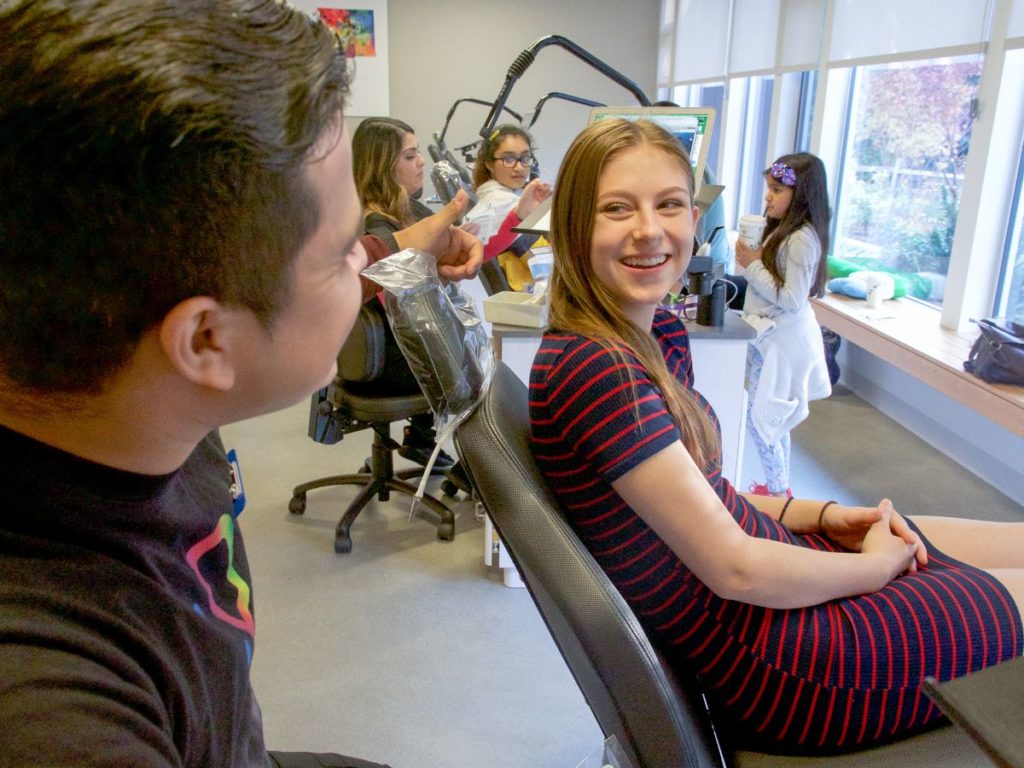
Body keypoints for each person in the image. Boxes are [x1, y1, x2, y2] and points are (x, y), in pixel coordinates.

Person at [0, 2, 480, 766]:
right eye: (338, 255)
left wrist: (428, 240)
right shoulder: (54, 710)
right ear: (206, 340)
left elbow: (361, 252)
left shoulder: (131, 388)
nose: (364, 266)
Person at [529, 118, 1023, 755]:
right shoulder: (594, 370)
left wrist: (823, 515)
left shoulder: (650, 340)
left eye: (669, 204)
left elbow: (708, 498)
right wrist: (873, 570)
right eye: (617, 208)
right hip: (798, 663)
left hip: (785, 600)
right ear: (573, 225)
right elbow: (737, 570)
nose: (649, 230)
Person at [352, 116, 458, 467]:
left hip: (371, 355)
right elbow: (409, 313)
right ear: (384, 166)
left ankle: (422, 437)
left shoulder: (396, 216)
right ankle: (482, 475)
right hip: (389, 362)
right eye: (410, 156)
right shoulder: (377, 227)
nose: (422, 161)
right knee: (483, 363)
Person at [734, 153, 833, 498]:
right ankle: (779, 486)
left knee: (763, 420)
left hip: (783, 341)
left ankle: (778, 493)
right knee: (770, 418)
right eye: (768, 189)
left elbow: (792, 299)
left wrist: (751, 265)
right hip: (768, 337)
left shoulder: (802, 239)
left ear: (801, 195)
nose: (768, 197)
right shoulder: (784, 234)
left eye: (776, 190)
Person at [470, 123, 551, 262]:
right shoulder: (507, 203)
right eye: (509, 159)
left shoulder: (489, 194)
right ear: (489, 164)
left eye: (525, 158)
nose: (519, 167)